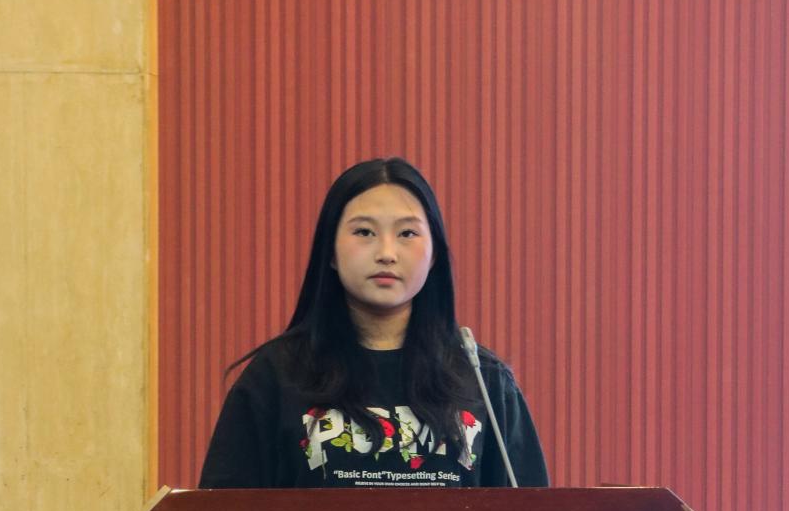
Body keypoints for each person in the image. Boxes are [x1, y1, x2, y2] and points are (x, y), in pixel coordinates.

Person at [199, 157, 548, 489]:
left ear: (434, 255)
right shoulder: (276, 376)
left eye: (407, 233)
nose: (386, 253)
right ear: (330, 251)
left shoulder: (484, 380)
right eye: (364, 232)